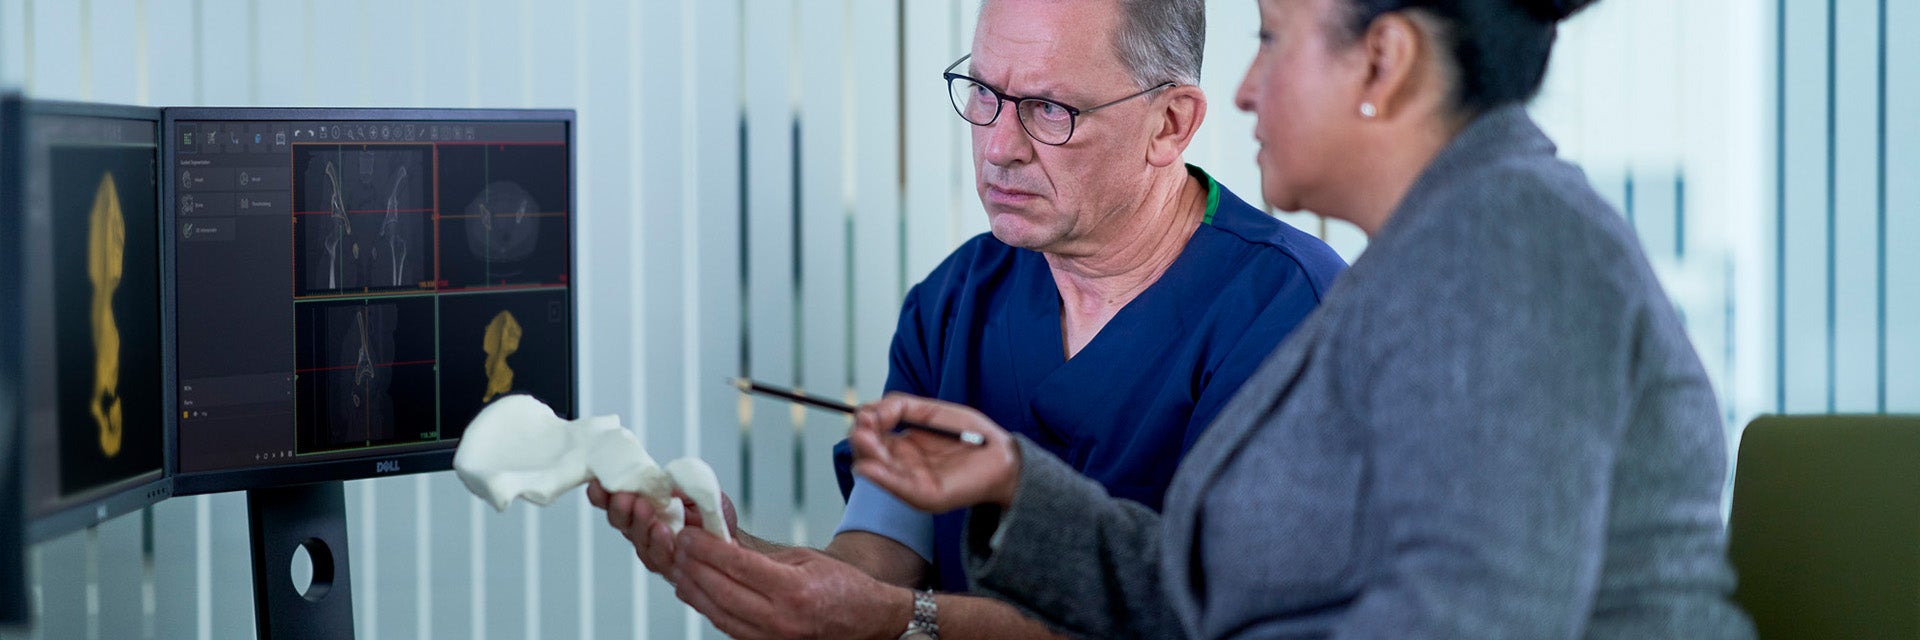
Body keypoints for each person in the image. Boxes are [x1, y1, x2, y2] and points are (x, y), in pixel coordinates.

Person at [835, 0, 1760, 637]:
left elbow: (1468, 619)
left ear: (1383, 62)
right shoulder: (1419, 262)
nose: (1243, 89)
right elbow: (1215, 595)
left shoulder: (1509, 245)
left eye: (1273, 39)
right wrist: (1014, 484)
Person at [589, 0, 1347, 637]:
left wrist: (902, 621)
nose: (999, 148)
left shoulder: (1289, 315)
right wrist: (743, 561)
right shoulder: (957, 298)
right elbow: (879, 558)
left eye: (1049, 109)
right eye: (983, 93)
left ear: (1170, 124)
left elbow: (1215, 616)